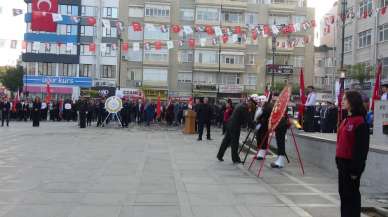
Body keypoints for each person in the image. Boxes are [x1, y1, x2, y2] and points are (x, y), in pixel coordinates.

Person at [336, 91, 369, 217]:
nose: (342, 101)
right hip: (342, 164)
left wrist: (356, 170)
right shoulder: (345, 120)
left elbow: (361, 149)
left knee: (352, 197)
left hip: (352, 166)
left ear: (352, 102)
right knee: (343, 195)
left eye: (345, 99)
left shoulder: (360, 122)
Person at [217, 98, 256, 163]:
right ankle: (235, 159)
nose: (251, 107)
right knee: (234, 142)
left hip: (230, 124)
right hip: (235, 126)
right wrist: (253, 125)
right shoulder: (244, 108)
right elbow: (248, 119)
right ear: (250, 103)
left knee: (226, 141)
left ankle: (219, 155)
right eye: (252, 106)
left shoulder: (240, 104)